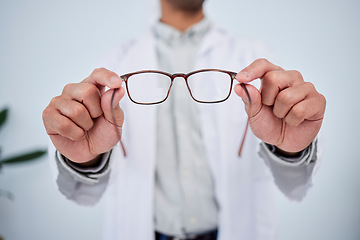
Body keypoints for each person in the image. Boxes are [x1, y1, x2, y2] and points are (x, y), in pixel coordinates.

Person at [42, 0, 326, 239]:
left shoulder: (252, 56)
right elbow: (83, 193)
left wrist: (292, 149)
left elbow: (295, 183)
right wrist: (85, 160)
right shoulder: (116, 63)